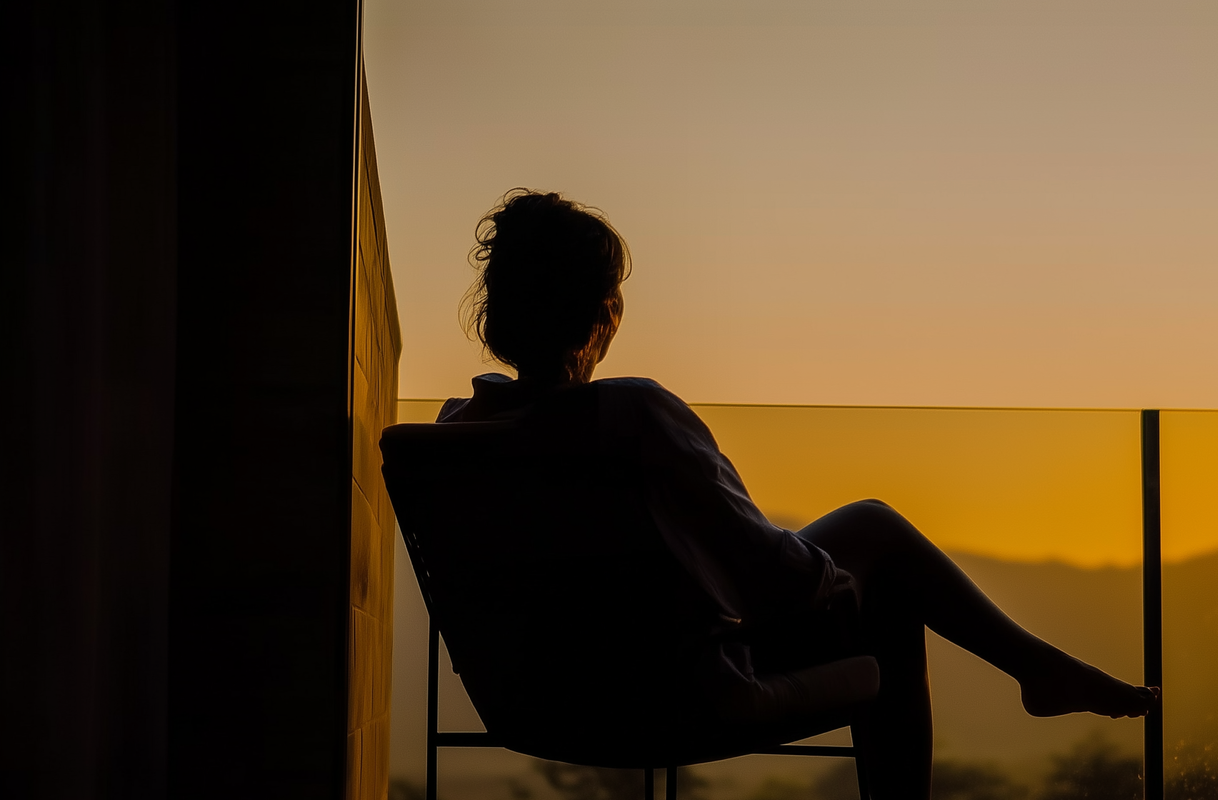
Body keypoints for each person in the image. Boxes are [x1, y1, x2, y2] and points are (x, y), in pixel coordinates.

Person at [435, 189, 1157, 798]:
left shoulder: (457, 435)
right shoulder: (633, 417)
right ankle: (1038, 669)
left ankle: (1040, 669)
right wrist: (838, 580)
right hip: (676, 692)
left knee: (872, 559)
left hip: (545, 698)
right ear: (601, 313)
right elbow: (766, 575)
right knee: (878, 549)